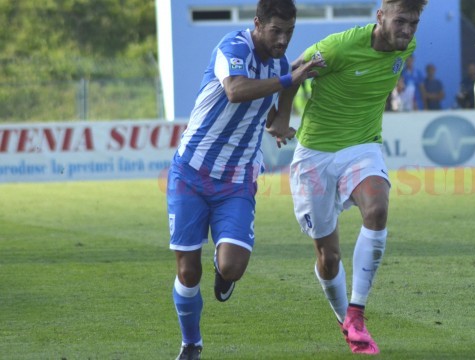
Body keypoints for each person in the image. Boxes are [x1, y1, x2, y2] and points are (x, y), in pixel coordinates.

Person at [165, 1, 322, 359]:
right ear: (257, 24)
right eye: (276, 31)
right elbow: (236, 90)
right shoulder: (233, 47)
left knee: (232, 267)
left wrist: (277, 121)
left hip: (236, 179)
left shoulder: (280, 64)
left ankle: (223, 273)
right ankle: (191, 343)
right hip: (191, 172)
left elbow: (267, 100)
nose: (283, 40)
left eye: (290, 32)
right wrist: (289, 79)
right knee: (188, 272)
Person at [283, 0, 427, 355]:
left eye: (413, 23)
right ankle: (345, 322)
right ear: (380, 17)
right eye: (400, 22)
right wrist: (278, 118)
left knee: (377, 209)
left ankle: (357, 313)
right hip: (315, 153)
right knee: (328, 257)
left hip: (362, 146)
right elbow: (293, 71)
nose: (407, 31)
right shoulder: (338, 47)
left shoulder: (406, 45)